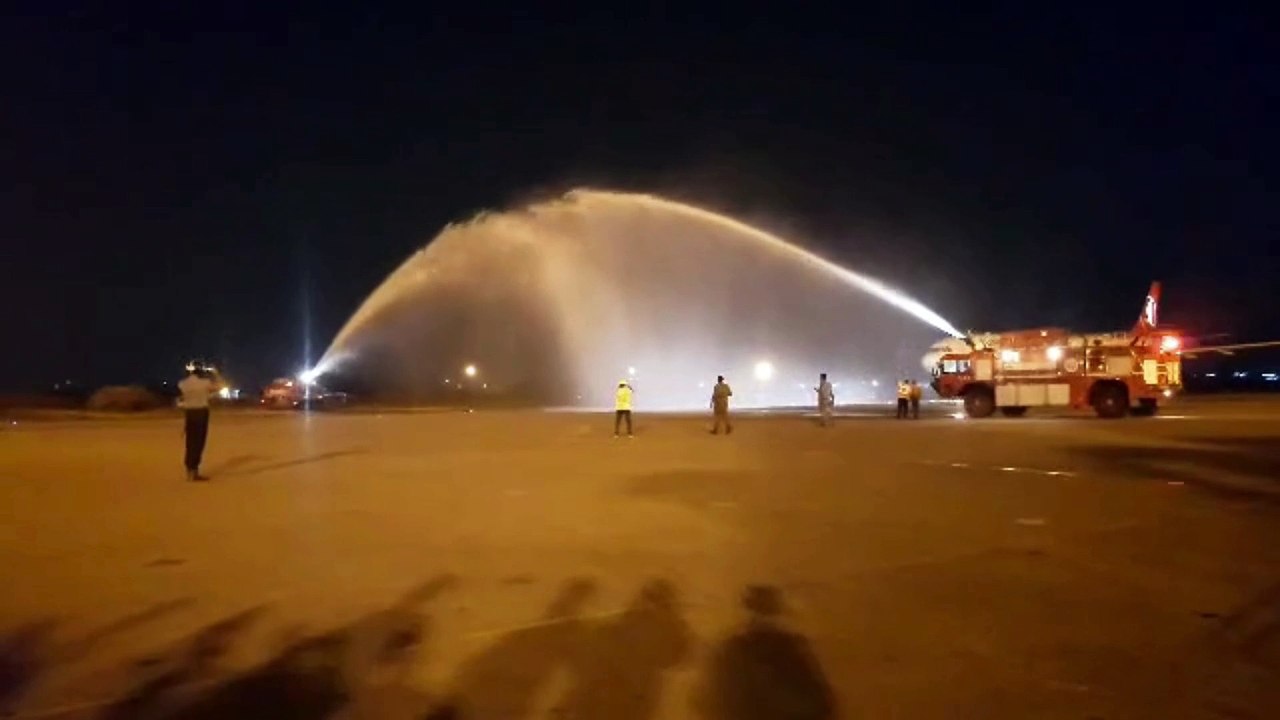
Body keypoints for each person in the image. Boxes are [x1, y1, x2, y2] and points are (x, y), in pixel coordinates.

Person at [178, 360, 219, 481]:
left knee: (190, 442)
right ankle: (194, 470)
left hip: (189, 413)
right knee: (199, 442)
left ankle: (189, 469)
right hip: (201, 412)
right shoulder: (205, 383)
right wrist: (215, 373)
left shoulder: (183, 383)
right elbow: (219, 386)